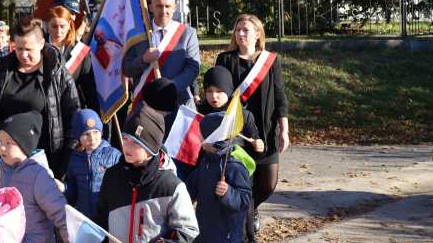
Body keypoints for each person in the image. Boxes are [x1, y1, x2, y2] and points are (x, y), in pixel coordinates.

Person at [0, 17, 80, 178]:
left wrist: (66, 161)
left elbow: (73, 115)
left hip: (45, 162)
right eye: (19, 48)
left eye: (29, 49)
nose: (23, 54)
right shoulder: (1, 70)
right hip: (3, 161)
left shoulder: (57, 73)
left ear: (42, 44)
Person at [215, 14, 289, 239]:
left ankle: (250, 207)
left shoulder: (270, 60)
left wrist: (284, 129)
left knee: (268, 184)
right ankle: (246, 231)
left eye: (246, 30)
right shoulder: (225, 59)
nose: (240, 34)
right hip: (237, 133)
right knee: (242, 181)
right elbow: (219, 93)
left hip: (265, 133)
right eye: (237, 30)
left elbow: (280, 97)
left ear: (258, 34)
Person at [96, 106, 199, 242]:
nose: (127, 146)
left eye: (135, 143)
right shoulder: (112, 176)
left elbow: (188, 230)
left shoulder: (171, 186)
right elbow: (101, 219)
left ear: (151, 147)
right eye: (125, 138)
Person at [122, 0, 201, 114]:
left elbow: (193, 68)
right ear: (151, 7)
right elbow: (126, 68)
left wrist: (170, 88)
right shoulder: (137, 35)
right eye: (159, 6)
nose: (164, 11)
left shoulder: (187, 33)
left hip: (179, 102)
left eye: (167, 6)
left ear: (175, 7)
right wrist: (143, 59)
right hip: (146, 105)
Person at [0, 112, 68, 242]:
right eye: (0, 141)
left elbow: (60, 211)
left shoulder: (38, 174)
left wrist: (72, 238)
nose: (2, 147)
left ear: (24, 145)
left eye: (8, 143)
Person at [185, 113, 253, 243]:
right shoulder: (206, 162)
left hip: (227, 235)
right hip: (203, 230)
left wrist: (228, 193)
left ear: (214, 139)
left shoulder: (234, 166)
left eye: (202, 135)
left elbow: (245, 199)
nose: (199, 138)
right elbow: (189, 188)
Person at [63, 109, 121, 220]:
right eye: (86, 134)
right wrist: (64, 188)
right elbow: (73, 192)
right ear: (78, 137)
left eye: (96, 132)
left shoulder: (113, 155)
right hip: (85, 218)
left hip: (109, 218)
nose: (92, 138)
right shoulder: (74, 159)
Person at [47, 5, 98, 110]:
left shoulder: (80, 51)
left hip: (71, 110)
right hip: (45, 110)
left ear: (70, 25)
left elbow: (89, 91)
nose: (58, 31)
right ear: (48, 25)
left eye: (62, 26)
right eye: (54, 26)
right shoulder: (38, 49)